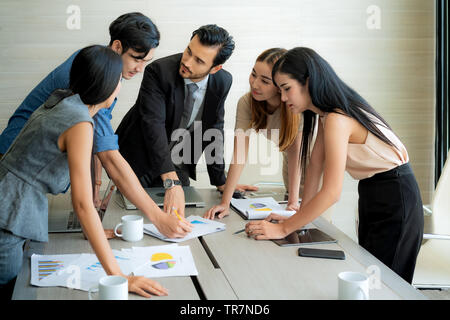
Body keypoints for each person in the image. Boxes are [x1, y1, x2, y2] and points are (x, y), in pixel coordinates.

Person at [0, 12, 191, 239]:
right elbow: (108, 155)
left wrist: (95, 189)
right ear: (117, 46)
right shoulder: (94, 76)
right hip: (14, 173)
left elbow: (96, 137)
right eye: (137, 58)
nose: (140, 68)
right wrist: (158, 218)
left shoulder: (102, 67)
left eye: (146, 62)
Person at [0, 46, 168, 299]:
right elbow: (82, 204)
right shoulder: (79, 123)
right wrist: (119, 275)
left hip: (9, 200)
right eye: (119, 80)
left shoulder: (63, 100)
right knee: (10, 289)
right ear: (107, 85)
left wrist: (96, 232)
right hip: (9, 213)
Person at [245, 47, 424, 284]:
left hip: (396, 197)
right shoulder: (325, 115)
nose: (284, 98)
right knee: (371, 280)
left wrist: (283, 229)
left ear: (308, 82)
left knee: (386, 286)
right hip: (373, 193)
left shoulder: (338, 119)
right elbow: (315, 167)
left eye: (287, 89)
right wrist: (298, 214)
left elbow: (331, 192)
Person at [116, 24, 255, 218]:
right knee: (136, 214)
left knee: (183, 213)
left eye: (199, 60)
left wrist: (220, 180)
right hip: (140, 156)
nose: (188, 62)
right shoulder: (159, 71)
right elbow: (152, 125)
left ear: (215, 68)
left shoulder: (223, 81)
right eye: (188, 51)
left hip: (177, 160)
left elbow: (214, 127)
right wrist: (171, 183)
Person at [204, 48, 303, 220]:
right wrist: (225, 203)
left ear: (280, 85)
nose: (255, 84)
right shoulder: (247, 103)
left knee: (313, 226)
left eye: (264, 80)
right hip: (291, 166)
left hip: (317, 167)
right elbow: (239, 155)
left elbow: (297, 154)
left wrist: (293, 201)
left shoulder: (295, 106)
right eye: (253, 74)